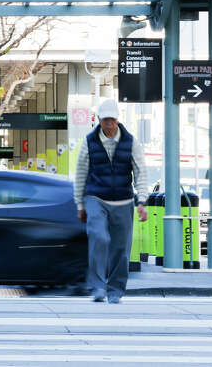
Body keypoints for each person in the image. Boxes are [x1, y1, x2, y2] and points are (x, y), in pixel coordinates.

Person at [74, 99, 148, 304]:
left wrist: (142, 201)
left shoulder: (131, 142)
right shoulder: (89, 141)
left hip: (123, 200)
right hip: (95, 197)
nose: (109, 124)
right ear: (99, 120)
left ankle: (115, 290)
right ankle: (98, 286)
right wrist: (80, 205)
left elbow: (141, 172)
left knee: (120, 249)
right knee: (99, 237)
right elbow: (80, 173)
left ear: (117, 120)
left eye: (112, 120)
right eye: (105, 120)